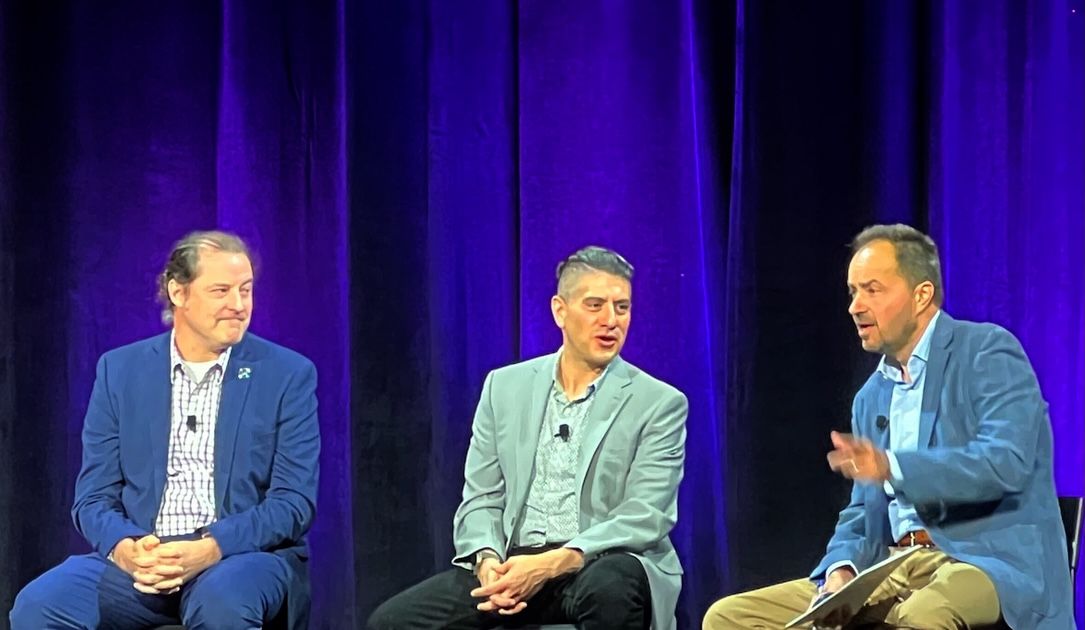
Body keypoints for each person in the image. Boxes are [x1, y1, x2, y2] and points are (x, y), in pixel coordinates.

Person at [703, 224, 1073, 629]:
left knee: (922, 615)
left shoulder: (985, 352)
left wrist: (892, 466)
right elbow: (863, 512)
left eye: (872, 290)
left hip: (983, 562)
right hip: (893, 565)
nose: (855, 306)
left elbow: (1005, 462)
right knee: (729, 618)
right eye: (852, 292)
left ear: (921, 295)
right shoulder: (871, 396)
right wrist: (840, 570)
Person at [10, 230, 320, 629]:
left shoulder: (286, 374)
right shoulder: (120, 371)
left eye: (245, 290)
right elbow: (93, 497)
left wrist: (211, 548)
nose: (238, 305)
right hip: (144, 558)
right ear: (178, 292)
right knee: (38, 606)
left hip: (238, 557)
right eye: (221, 291)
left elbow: (293, 503)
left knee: (222, 605)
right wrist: (126, 549)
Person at [368, 246, 688, 630]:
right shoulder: (503, 387)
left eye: (622, 308)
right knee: (391, 622)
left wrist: (551, 564)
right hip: (514, 563)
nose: (610, 320)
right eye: (595, 305)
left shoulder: (658, 402)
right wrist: (488, 563)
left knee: (610, 589)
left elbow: (646, 515)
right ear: (559, 311)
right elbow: (481, 498)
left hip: (595, 563)